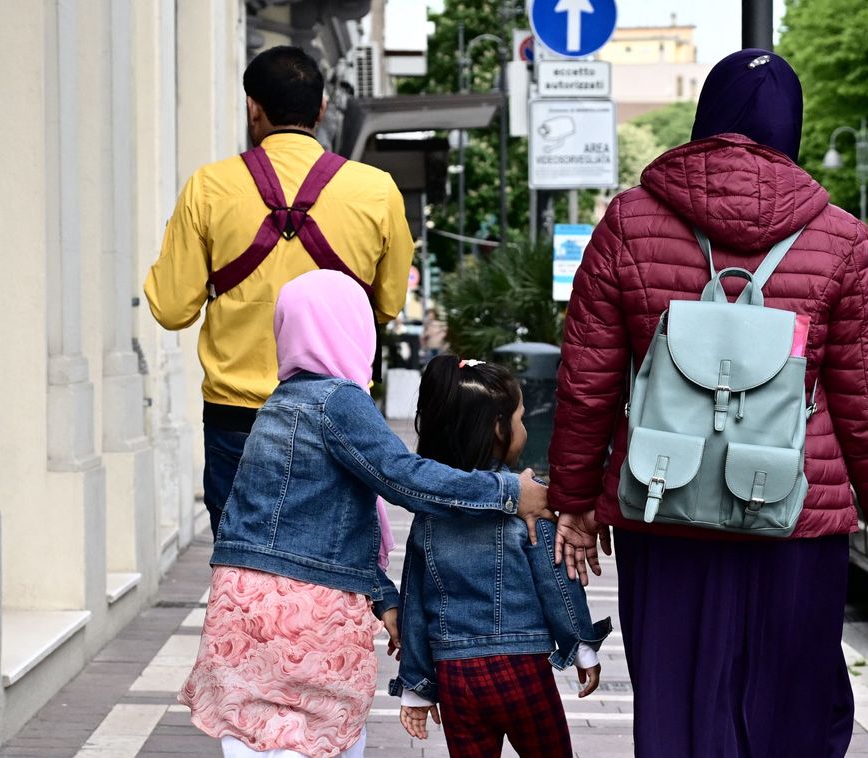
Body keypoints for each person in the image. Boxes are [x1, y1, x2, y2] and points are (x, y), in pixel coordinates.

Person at [547, 49, 868, 756]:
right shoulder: (840, 239)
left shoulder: (627, 221)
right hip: (795, 516)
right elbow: (866, 402)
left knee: (674, 699)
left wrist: (574, 499)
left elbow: (587, 377)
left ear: (703, 120)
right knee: (793, 699)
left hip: (662, 502)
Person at [179, 270, 551, 758]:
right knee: (321, 740)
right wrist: (507, 492)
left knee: (255, 739)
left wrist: (381, 594)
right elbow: (403, 476)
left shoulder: (276, 406)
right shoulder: (338, 401)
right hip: (305, 607)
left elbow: (287, 521)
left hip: (237, 600)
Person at [144, 45, 415, 539]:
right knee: (329, 569)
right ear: (322, 109)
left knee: (241, 574)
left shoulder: (208, 187)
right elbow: (389, 304)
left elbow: (170, 307)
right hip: (337, 413)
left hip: (236, 416)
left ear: (253, 107)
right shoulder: (377, 190)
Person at [390, 356, 611, 757]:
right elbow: (556, 578)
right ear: (498, 426)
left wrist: (416, 686)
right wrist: (581, 646)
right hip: (521, 667)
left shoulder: (431, 511)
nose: (525, 429)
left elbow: (414, 602)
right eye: (521, 419)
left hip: (456, 674)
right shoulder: (528, 497)